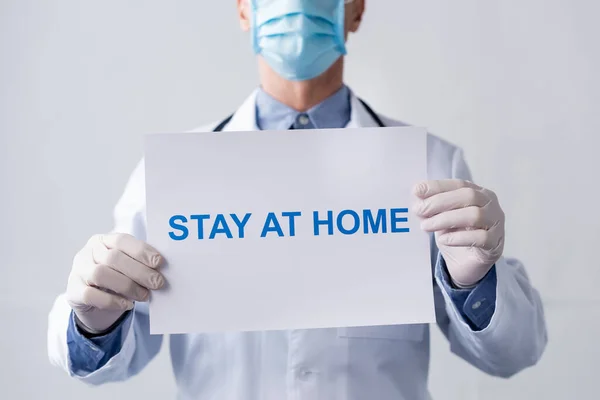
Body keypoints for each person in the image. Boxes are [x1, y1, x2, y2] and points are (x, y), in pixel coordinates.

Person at [47, 1, 547, 399]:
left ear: (356, 10)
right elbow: (109, 364)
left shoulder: (432, 164)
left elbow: (514, 353)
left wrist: (476, 282)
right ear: (244, 10)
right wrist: (93, 322)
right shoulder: (173, 176)